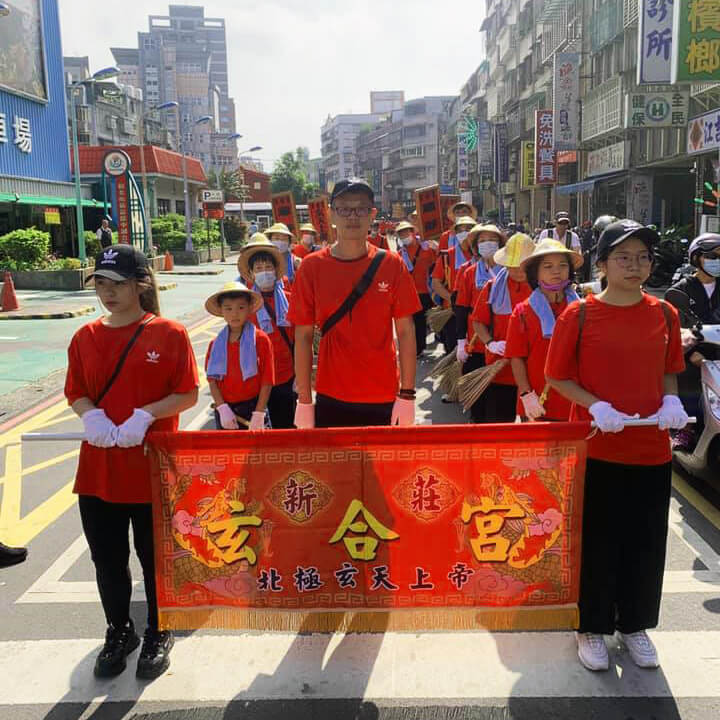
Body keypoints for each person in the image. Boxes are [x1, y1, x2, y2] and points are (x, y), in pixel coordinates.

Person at [545, 219, 688, 672]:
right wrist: (595, 407)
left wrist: (670, 398)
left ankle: (635, 625)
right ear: (602, 264)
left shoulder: (664, 313)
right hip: (597, 448)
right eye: (623, 257)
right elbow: (557, 376)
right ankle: (591, 626)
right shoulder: (580, 314)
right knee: (598, 541)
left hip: (651, 449)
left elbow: (669, 368)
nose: (635, 266)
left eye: (643, 257)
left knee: (645, 541)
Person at [64, 244, 199, 680]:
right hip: (99, 470)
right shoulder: (84, 336)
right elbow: (76, 390)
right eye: (100, 283)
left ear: (141, 283)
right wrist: (91, 415)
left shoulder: (169, 333)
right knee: (107, 558)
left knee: (153, 555)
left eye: (117, 283)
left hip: (151, 468)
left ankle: (159, 628)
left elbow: (188, 393)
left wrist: (148, 414)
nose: (107, 292)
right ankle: (119, 630)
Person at [288, 177, 420, 428]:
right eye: (344, 208)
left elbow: (406, 331)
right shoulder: (311, 267)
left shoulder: (392, 265)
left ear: (372, 215)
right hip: (331, 395)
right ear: (331, 215)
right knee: (334, 468)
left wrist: (408, 394)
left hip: (382, 394)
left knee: (382, 468)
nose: (352, 216)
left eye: (360, 208)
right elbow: (303, 336)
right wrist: (304, 401)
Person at [505, 239, 583, 422]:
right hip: (539, 402)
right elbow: (516, 357)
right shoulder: (522, 312)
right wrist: (526, 394)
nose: (556, 271)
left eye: (563, 265)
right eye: (548, 266)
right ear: (535, 273)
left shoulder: (584, 308)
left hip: (577, 400)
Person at [470, 233, 534, 422]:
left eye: (523, 265)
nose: (518, 270)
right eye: (512, 265)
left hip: (533, 370)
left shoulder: (544, 288)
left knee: (532, 426)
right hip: (500, 369)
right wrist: (490, 343)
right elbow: (477, 321)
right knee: (499, 424)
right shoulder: (492, 288)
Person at [664, 233, 720, 450]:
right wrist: (691, 353)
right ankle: (684, 428)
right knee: (685, 373)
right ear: (696, 259)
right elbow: (675, 329)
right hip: (692, 355)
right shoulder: (680, 291)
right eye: (712, 256)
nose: (717, 261)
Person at [240, 236, 297, 429]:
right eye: (258, 269)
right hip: (256, 379)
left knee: (285, 427)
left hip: (286, 376)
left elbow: (300, 339)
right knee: (256, 433)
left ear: (276, 271)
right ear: (251, 273)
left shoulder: (290, 300)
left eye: (268, 267)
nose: (264, 272)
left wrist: (301, 377)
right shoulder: (244, 305)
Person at [205, 281, 274, 431]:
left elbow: (267, 379)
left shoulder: (260, 340)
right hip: (226, 409)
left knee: (257, 453)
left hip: (254, 406)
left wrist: (259, 412)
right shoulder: (215, 344)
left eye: (241, 308)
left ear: (249, 308)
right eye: (228, 308)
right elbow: (212, 380)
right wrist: (222, 408)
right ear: (221, 311)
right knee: (229, 453)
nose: (234, 313)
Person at [455, 224, 506, 421]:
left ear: (500, 244)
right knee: (477, 395)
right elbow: (460, 307)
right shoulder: (469, 273)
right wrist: (461, 340)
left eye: (492, 240)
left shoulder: (510, 271)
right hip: (476, 343)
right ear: (476, 246)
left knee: (499, 396)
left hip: (501, 343)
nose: (487, 245)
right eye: (482, 241)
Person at [431, 215, 477, 353]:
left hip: (475, 313)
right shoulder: (447, 256)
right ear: (456, 234)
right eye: (461, 230)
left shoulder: (481, 256)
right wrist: (452, 298)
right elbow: (436, 282)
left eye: (469, 229)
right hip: (451, 311)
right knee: (453, 349)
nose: (465, 232)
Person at [395, 220, 438, 357]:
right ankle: (418, 348)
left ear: (413, 232)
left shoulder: (427, 248)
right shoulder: (400, 253)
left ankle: (421, 346)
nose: (404, 236)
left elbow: (438, 264)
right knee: (413, 322)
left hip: (426, 291)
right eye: (401, 234)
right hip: (409, 293)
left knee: (421, 321)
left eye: (406, 232)